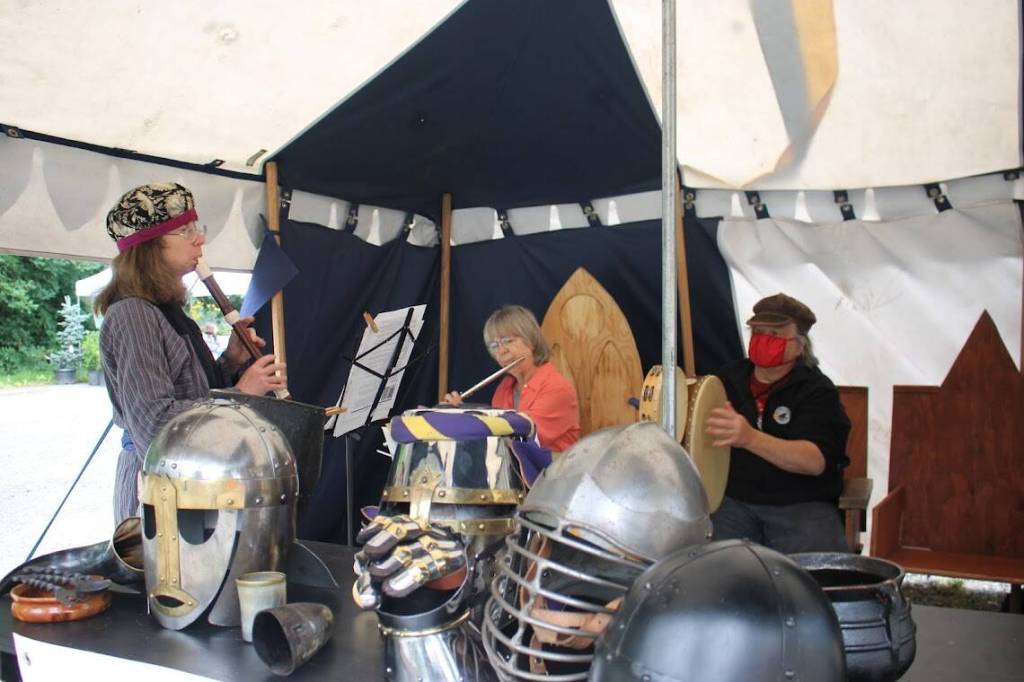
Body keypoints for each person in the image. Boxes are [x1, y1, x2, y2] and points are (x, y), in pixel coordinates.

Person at [95, 182, 286, 524]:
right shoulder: (133, 315)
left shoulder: (165, 311)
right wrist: (242, 394)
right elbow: (154, 424)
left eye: (196, 227)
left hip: (189, 482)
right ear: (150, 247)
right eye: (185, 230)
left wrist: (232, 362)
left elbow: (191, 393)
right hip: (157, 495)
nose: (200, 239)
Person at [704, 293, 850, 553]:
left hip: (800, 505)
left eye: (774, 333)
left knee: (813, 578)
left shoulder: (816, 391)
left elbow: (814, 462)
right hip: (735, 501)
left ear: (799, 345)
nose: (763, 340)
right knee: (709, 563)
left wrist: (749, 437)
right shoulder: (727, 379)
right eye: (758, 332)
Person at [444, 305, 580, 452]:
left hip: (552, 472)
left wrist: (466, 418)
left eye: (508, 341)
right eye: (494, 346)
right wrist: (454, 413)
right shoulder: (504, 389)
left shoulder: (557, 388)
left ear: (531, 341)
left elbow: (522, 435)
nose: (501, 351)